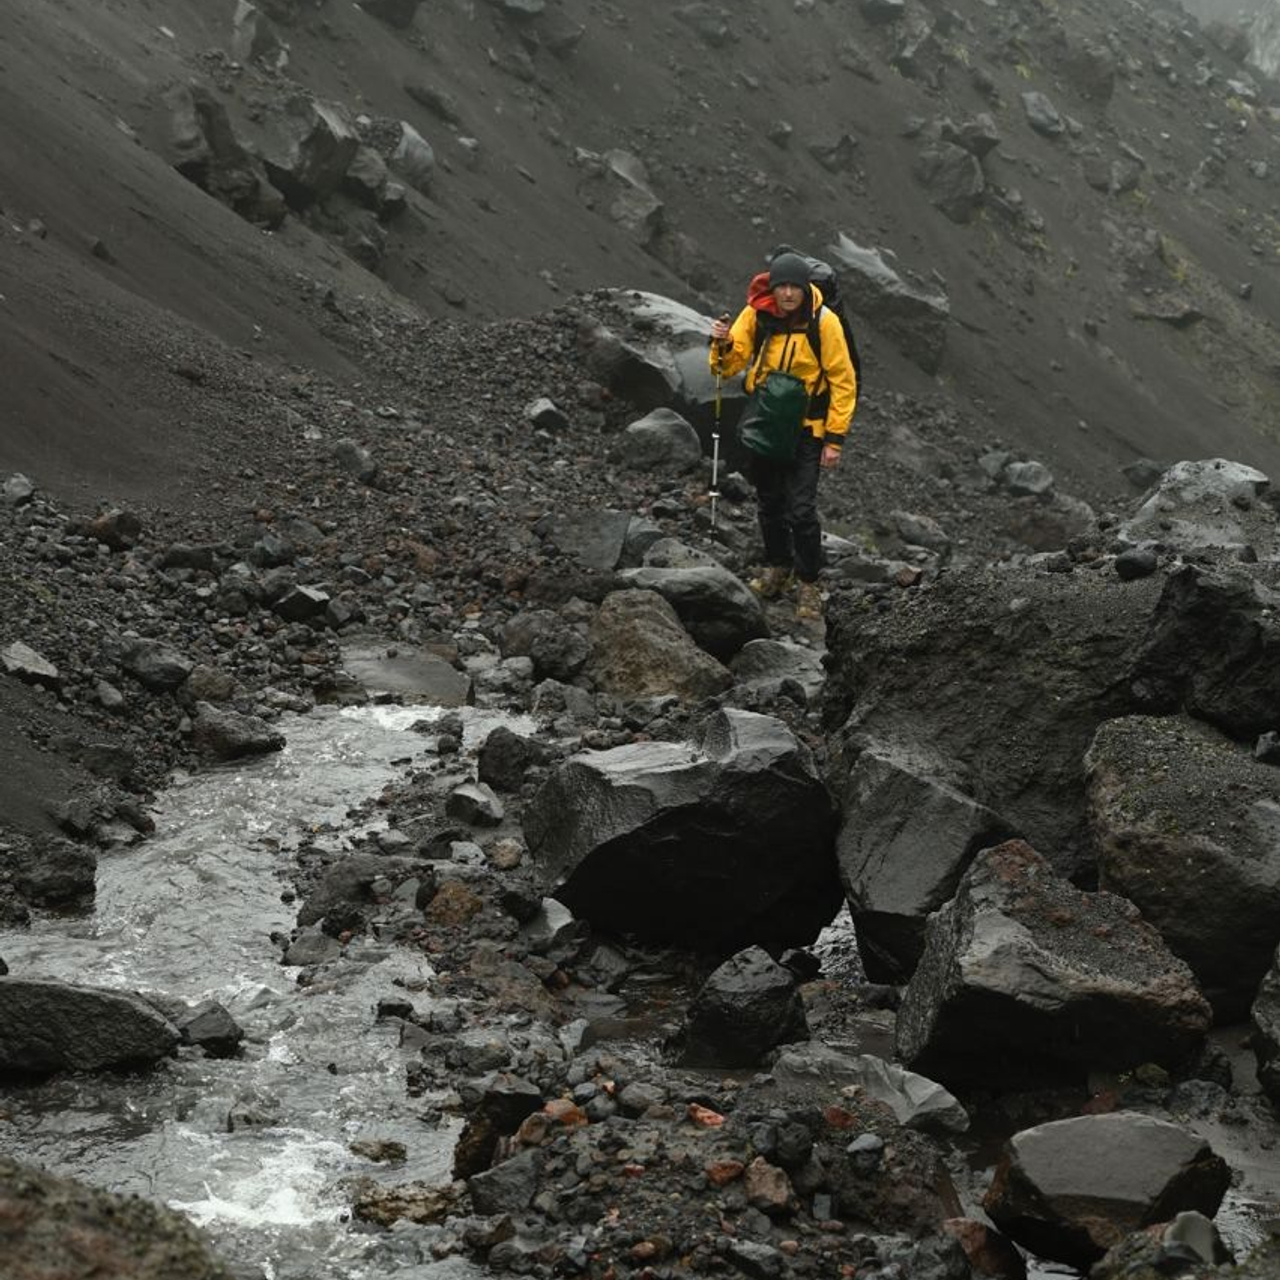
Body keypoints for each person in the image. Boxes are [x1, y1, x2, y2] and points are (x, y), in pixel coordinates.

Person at [709, 251, 858, 619]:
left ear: (805, 288)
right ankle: (778, 566)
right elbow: (728, 366)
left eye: (794, 286)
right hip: (766, 422)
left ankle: (809, 583)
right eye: (782, 286)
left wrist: (834, 439)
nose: (788, 294)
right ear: (772, 288)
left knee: (802, 510)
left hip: (807, 430)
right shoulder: (758, 315)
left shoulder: (823, 323)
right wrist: (721, 343)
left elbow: (844, 381)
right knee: (769, 502)